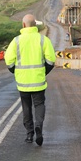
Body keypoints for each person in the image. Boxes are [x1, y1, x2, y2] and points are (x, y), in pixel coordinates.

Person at [5, 14, 56, 146]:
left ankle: (29, 134)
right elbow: (51, 60)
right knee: (39, 105)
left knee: (26, 107)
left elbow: (9, 60)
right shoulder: (43, 40)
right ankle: (38, 125)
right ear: (35, 25)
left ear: (23, 25)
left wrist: (15, 71)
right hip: (38, 81)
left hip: (23, 82)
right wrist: (43, 72)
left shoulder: (16, 41)